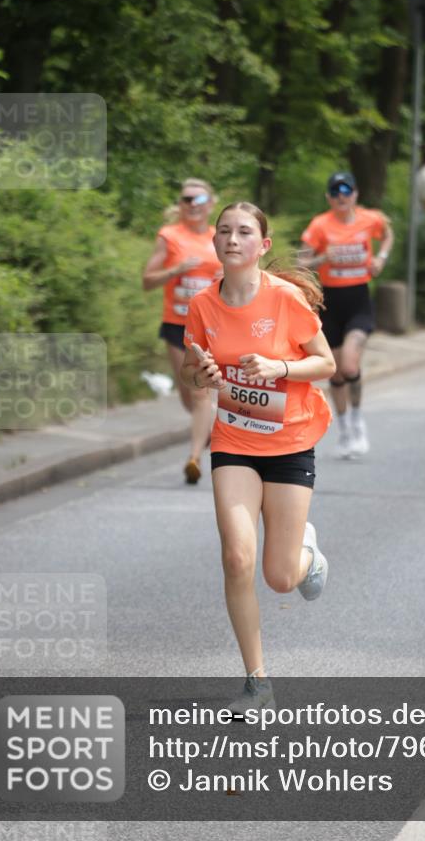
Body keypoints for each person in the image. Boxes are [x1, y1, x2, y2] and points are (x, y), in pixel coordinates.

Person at [181, 202, 336, 713]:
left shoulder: (286, 298)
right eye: (224, 230)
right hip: (234, 443)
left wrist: (279, 367)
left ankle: (306, 553)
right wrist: (201, 374)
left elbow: (326, 362)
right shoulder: (203, 305)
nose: (231, 238)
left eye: (244, 232)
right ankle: (257, 682)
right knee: (236, 558)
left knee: (280, 578)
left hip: (290, 444)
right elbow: (193, 372)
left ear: (262, 246)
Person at [299, 171, 394, 458]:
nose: (342, 196)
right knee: (337, 372)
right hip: (330, 304)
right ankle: (344, 429)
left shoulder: (371, 219)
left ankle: (357, 421)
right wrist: (323, 259)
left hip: (359, 300)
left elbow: (388, 234)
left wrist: (381, 258)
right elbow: (301, 262)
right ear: (329, 197)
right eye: (336, 192)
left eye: (347, 191)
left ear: (356, 194)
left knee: (351, 365)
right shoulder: (319, 225)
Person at [142, 179, 222, 484]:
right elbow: (147, 281)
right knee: (189, 399)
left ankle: (194, 458)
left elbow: (246, 275)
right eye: (187, 199)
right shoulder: (169, 236)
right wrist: (176, 270)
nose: (192, 204)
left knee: (200, 393)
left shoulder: (221, 237)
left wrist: (226, 275)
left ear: (210, 203)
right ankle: (216, 436)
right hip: (177, 325)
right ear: (181, 204)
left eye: (199, 199)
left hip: (210, 326)